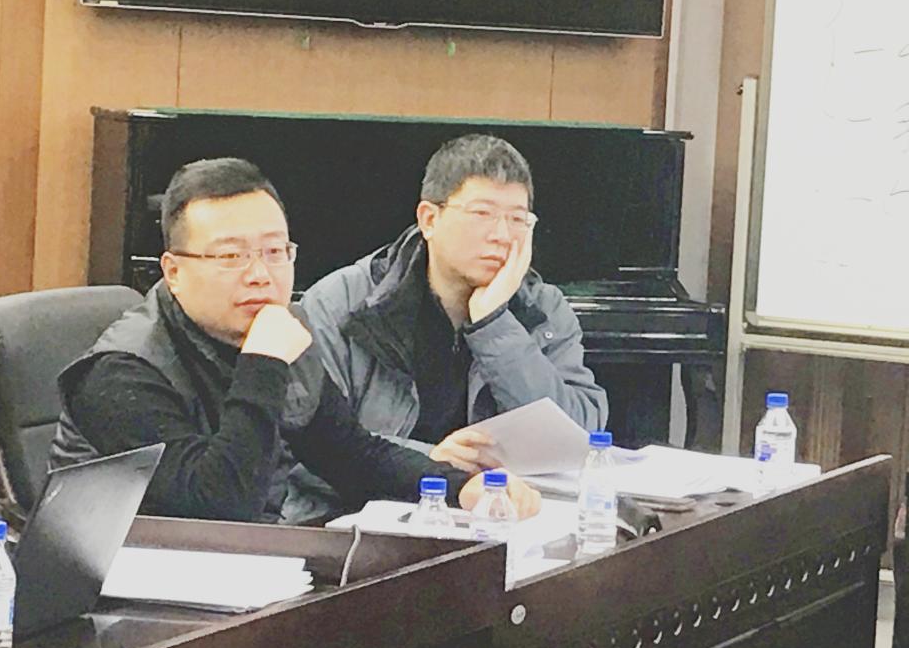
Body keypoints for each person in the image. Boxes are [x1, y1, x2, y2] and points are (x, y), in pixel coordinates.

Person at [48, 157, 540, 523]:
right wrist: (262, 364)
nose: (260, 275)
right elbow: (220, 505)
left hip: (244, 573)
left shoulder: (279, 331)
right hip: (131, 591)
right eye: (231, 257)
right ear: (173, 272)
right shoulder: (120, 372)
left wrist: (463, 487)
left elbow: (352, 455)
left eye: (275, 252)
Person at [291, 134, 607, 518]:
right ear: (429, 219)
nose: (502, 235)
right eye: (482, 214)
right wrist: (432, 464)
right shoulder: (342, 302)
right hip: (356, 519)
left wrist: (493, 325)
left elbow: (580, 439)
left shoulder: (543, 308)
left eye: (517, 219)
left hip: (497, 520)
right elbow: (308, 449)